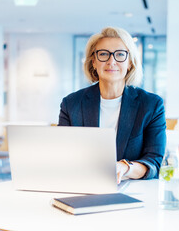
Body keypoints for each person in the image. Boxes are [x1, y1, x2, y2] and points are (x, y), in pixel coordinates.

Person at [58, 27, 166, 184]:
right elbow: (62, 155)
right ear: (93, 62)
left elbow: (154, 163)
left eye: (120, 54)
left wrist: (125, 167)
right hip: (83, 186)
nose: (111, 61)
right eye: (103, 54)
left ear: (130, 62)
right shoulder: (71, 104)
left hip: (133, 191)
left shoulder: (151, 105)